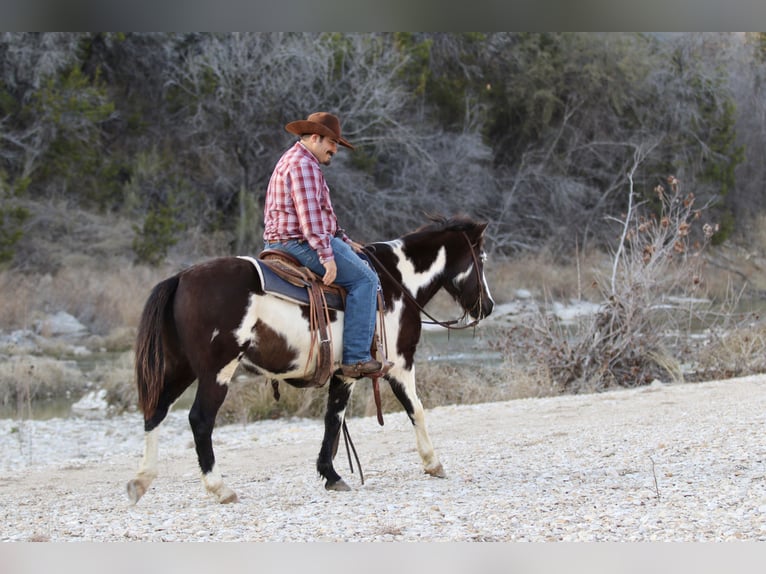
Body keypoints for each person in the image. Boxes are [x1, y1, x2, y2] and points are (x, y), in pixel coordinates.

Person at [263, 112, 383, 378]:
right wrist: (326, 254)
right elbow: (310, 218)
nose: (335, 150)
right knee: (366, 280)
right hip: (298, 242)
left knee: (360, 263)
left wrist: (343, 240)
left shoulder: (297, 160)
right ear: (315, 137)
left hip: (288, 239)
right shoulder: (303, 165)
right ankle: (356, 358)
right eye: (332, 143)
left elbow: (322, 213)